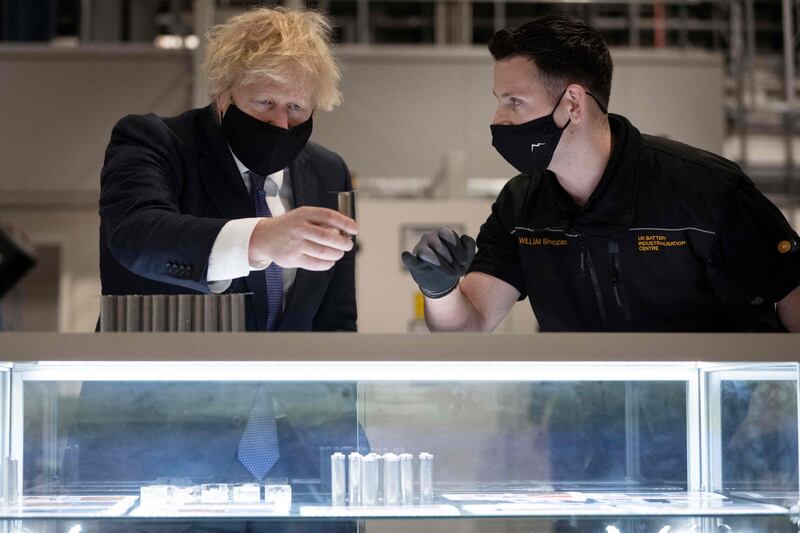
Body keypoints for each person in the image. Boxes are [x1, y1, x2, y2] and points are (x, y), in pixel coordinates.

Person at [403, 15, 800, 332]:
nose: (498, 119)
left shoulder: (705, 189)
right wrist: (440, 288)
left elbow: (792, 294)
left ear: (573, 103)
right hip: (591, 419)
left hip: (712, 418)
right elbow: (469, 325)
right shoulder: (522, 207)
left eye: (514, 102)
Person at [99, 7, 357, 332]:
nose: (280, 123)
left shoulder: (327, 171)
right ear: (223, 95)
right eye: (264, 102)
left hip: (289, 384)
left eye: (296, 107)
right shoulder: (154, 142)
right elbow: (136, 237)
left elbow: (336, 319)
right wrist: (260, 239)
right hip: (155, 379)